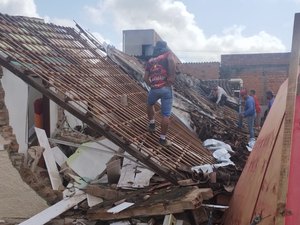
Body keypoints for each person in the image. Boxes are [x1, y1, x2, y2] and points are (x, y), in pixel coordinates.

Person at [144, 41, 176, 147]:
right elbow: (171, 61)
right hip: (166, 88)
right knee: (165, 115)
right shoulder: (167, 54)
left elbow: (145, 78)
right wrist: (171, 78)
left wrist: (152, 85)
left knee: (150, 104)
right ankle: (162, 139)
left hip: (154, 89)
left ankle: (152, 124)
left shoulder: (150, 61)